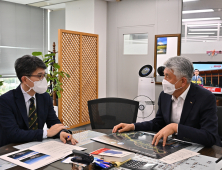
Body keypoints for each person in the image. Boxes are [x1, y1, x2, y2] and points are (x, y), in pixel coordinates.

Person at [112, 56, 221, 147]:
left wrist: (175, 127)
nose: (164, 81)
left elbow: (210, 137)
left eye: (167, 76)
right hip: (174, 147)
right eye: (164, 75)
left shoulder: (205, 97)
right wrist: (133, 126)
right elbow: (158, 123)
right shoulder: (165, 95)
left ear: (183, 81)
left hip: (201, 151)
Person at [0, 55, 78, 147]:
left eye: (44, 75)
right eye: (39, 76)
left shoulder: (44, 97)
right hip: (12, 149)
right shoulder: (5, 101)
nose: (43, 80)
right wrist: (46, 133)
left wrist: (62, 132)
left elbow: (53, 122)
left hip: (37, 146)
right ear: (25, 79)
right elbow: (13, 133)